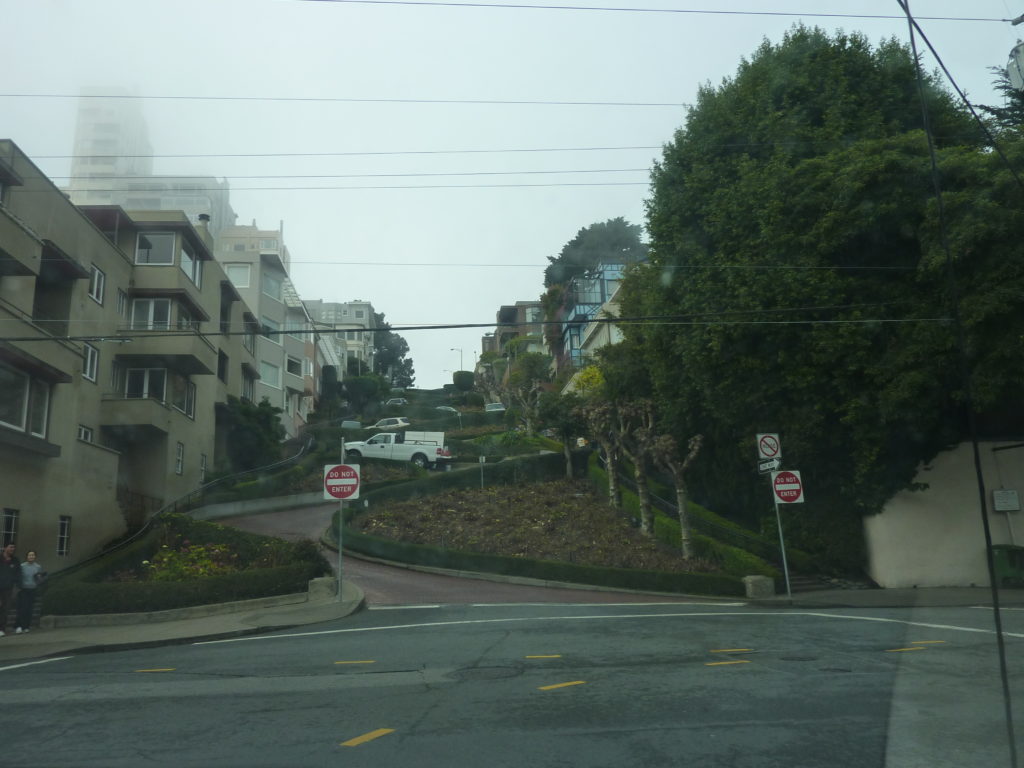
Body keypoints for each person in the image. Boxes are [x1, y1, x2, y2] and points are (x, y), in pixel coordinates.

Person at [15, 551, 45, 634]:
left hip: (33, 589)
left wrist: (40, 580)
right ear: (27, 557)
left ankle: (26, 626)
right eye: (29, 555)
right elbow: (19, 577)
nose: (31, 556)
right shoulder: (22, 566)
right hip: (24, 590)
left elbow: (39, 578)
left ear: (35, 557)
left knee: (30, 609)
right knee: (23, 608)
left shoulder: (38, 567)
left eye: (33, 555)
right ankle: (19, 626)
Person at [0, 543, 20, 638]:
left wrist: (16, 586)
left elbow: (18, 574)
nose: (13, 549)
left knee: (5, 609)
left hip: (8, 589)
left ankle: (1, 629)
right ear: (5, 548)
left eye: (14, 547)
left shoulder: (15, 561)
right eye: (11, 547)